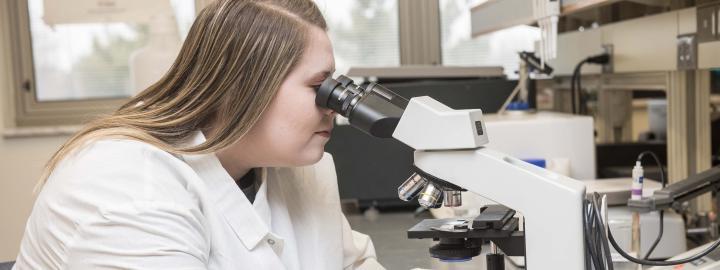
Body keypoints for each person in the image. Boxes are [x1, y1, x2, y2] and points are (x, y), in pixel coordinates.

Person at [13, 0, 384, 269]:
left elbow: (353, 263)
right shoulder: (128, 189)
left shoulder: (300, 167)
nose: (334, 105)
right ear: (242, 88)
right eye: (318, 86)